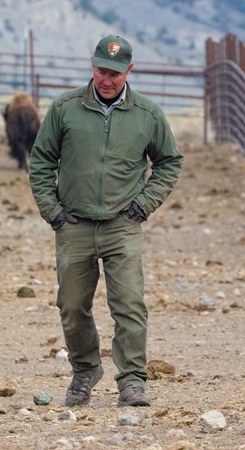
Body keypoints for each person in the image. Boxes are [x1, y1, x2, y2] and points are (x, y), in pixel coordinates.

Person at [29, 35, 183, 408]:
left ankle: (132, 382)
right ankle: (84, 371)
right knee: (71, 304)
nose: (107, 79)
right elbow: (41, 162)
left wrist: (143, 205)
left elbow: (169, 162)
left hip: (122, 225)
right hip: (74, 225)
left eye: (115, 73)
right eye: (101, 70)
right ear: (91, 65)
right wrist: (54, 213)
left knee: (129, 303)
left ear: (129, 70)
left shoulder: (147, 115)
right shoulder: (65, 108)